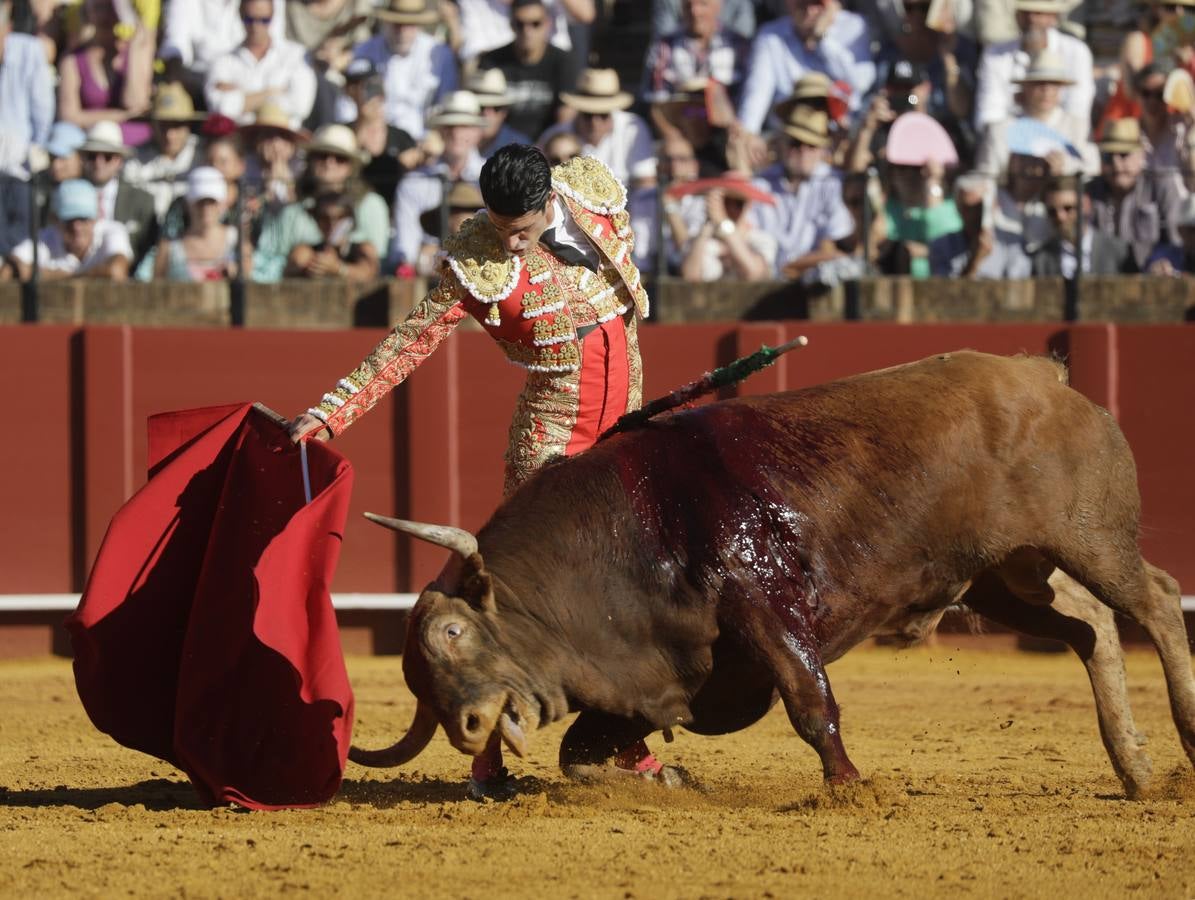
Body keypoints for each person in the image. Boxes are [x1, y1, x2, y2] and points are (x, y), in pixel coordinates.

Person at [286, 145, 662, 800]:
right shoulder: (478, 264)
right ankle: (488, 759)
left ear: (550, 203)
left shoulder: (593, 200)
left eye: (520, 229)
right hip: (551, 447)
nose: (509, 244)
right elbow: (407, 344)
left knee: (626, 593)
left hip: (622, 443)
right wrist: (327, 417)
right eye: (498, 226)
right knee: (518, 603)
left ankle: (619, 740)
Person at [252, 123, 389, 281]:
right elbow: (266, 261)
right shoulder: (293, 211)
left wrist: (339, 269)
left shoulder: (370, 205)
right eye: (322, 155)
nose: (329, 163)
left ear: (352, 166)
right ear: (310, 160)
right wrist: (299, 264)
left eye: (340, 158)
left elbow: (375, 263)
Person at [749, 101, 855, 280]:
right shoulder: (760, 183)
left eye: (811, 145)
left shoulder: (833, 182)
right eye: (796, 143)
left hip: (814, 283)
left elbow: (831, 250)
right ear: (783, 144)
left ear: (823, 149)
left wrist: (788, 269)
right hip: (763, 282)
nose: (803, 151)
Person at [736, 0, 876, 133]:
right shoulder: (771, 35)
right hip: (790, 136)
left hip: (841, 132)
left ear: (832, 5)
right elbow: (755, 97)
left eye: (817, 3)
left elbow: (860, 83)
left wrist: (822, 39)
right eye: (802, 3)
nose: (809, 10)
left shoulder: (854, 26)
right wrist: (747, 135)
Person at [390, 92, 486, 272]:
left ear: (478, 131)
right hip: (430, 276)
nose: (456, 133)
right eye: (450, 126)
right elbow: (405, 253)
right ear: (440, 130)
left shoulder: (493, 176)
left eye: (464, 126)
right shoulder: (414, 183)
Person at [973, 0, 1094, 136]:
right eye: (1026, 13)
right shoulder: (995, 54)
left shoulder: (1077, 51)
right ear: (1017, 16)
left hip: (1063, 139)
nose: (1031, 19)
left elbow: (1077, 112)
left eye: (1038, 13)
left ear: (1053, 17)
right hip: (1010, 139)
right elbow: (988, 115)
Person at [973, 49, 1097, 179]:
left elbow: (1093, 169)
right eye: (1039, 83)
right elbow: (986, 176)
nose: (1046, 90)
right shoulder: (1000, 130)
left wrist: (1065, 168)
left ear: (1061, 88)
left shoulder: (1078, 127)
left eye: (1053, 84)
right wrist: (1012, 173)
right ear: (1025, 87)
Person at [1084, 117, 1185, 273]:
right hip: (1101, 281)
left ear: (1142, 155)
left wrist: (1159, 262)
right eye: (1108, 156)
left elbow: (1176, 240)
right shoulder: (1089, 191)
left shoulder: (1161, 186)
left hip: (1151, 280)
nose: (1116, 164)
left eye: (1124, 154)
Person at [353, 0, 457, 140]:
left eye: (409, 25)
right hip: (374, 138)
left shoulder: (440, 54)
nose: (402, 31)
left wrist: (432, 140)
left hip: (420, 140)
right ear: (386, 22)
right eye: (397, 24)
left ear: (419, 25)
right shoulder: (364, 51)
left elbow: (446, 104)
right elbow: (349, 102)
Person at [57, 0, 155, 148]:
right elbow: (69, 116)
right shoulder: (72, 60)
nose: (105, 15)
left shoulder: (136, 50)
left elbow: (136, 103)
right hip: (90, 140)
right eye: (98, 8)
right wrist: (121, 116)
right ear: (88, 12)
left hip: (132, 140)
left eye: (110, 8)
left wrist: (134, 49)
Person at [205, 0, 317, 128]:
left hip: (282, 138)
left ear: (273, 16)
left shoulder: (296, 55)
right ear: (240, 16)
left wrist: (243, 96)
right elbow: (221, 108)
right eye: (249, 19)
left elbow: (301, 106)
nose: (256, 26)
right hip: (240, 140)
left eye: (264, 20)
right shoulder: (223, 62)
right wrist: (272, 92)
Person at [478, 0, 579, 141]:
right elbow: (483, 114)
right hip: (502, 147)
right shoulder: (492, 60)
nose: (527, 31)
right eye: (520, 24)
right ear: (511, 25)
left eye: (535, 23)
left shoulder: (564, 61)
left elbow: (565, 119)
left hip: (547, 147)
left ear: (548, 24)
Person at [538, 69, 655, 186]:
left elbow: (645, 184)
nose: (595, 122)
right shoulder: (553, 136)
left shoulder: (633, 128)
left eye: (603, 115)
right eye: (588, 115)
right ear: (578, 110)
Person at [3, 178, 133, 281]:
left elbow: (117, 271)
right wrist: (88, 275)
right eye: (68, 220)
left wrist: (56, 276)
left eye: (83, 219)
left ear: (96, 218)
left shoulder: (113, 231)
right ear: (54, 220)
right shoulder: (45, 238)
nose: (76, 227)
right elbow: (8, 270)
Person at [160, 0, 287, 102]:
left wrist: (237, 94)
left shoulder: (266, 4)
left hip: (249, 89)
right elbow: (175, 43)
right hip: (196, 90)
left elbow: (273, 49)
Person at [79, 120, 159, 274]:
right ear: (83, 158)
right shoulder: (67, 197)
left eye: (107, 156)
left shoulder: (142, 200)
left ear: (119, 161)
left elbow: (149, 249)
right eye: (92, 156)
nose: (99, 162)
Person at [641, 0, 751, 107]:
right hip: (677, 120)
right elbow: (655, 100)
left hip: (730, 121)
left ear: (718, 7)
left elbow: (750, 99)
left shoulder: (738, 45)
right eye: (688, 5)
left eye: (703, 4)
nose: (695, 11)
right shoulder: (664, 47)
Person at [345, 59, 418, 212]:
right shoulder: (343, 133)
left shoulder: (401, 137)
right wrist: (363, 123)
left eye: (374, 83)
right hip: (353, 210)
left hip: (395, 210)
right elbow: (344, 165)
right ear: (349, 91)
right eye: (360, 86)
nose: (369, 91)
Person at [123, 82, 204, 219]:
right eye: (163, 126)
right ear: (153, 125)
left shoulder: (203, 155)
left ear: (189, 125)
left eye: (176, 125)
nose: (169, 135)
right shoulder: (135, 159)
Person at [1029, 174, 1134, 276]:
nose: (1060, 217)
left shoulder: (1119, 251)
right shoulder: (1041, 259)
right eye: (1052, 211)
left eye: (1068, 208)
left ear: (1086, 205)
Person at [679, 178, 778, 280]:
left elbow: (754, 273)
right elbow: (690, 276)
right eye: (726, 201)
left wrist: (723, 223)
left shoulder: (762, 239)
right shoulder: (698, 240)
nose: (731, 208)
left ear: (748, 205)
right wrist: (708, 226)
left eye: (738, 203)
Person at [152, 166, 240, 281]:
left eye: (212, 202)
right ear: (188, 204)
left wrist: (235, 273)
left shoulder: (238, 241)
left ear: (222, 204)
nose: (206, 209)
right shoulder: (168, 248)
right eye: (200, 203)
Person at [0, 0, 54, 175]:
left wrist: (30, 156)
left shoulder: (30, 51)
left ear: (8, 25)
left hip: (16, 169)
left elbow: (43, 115)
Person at [285, 189, 379, 281]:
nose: (332, 224)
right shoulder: (306, 251)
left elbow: (368, 273)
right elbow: (291, 272)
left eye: (339, 217)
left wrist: (338, 269)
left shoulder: (363, 249)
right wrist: (312, 267)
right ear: (317, 221)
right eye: (324, 218)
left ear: (350, 219)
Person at [468, 69, 533, 158]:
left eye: (496, 107)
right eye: (481, 106)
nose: (487, 113)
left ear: (504, 112)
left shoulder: (520, 148)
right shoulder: (454, 143)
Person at [1145, 194, 1195, 275]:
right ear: (1180, 230)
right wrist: (1155, 270)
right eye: (1193, 230)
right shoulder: (1165, 256)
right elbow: (1148, 269)